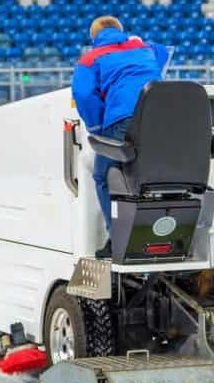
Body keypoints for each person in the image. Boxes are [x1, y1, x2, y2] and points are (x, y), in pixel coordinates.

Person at [71, 16, 170, 258]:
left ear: (94, 37)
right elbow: (163, 52)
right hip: (159, 118)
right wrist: (137, 40)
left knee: (103, 176)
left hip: (122, 120)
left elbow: (83, 95)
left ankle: (117, 240)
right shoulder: (143, 48)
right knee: (153, 175)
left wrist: (96, 127)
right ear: (122, 31)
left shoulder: (90, 59)